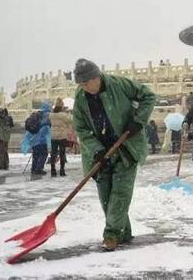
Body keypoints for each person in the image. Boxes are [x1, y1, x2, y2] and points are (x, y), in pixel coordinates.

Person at [72, 58, 156, 251]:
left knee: (120, 194)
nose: (84, 87)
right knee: (106, 197)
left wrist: (138, 121)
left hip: (126, 147)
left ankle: (111, 234)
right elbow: (82, 129)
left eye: (86, 83)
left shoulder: (119, 84)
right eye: (81, 84)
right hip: (101, 154)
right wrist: (96, 149)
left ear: (96, 77)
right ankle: (123, 233)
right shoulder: (81, 98)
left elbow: (149, 96)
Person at [49, 98, 73, 177]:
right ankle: (62, 171)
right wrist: (68, 113)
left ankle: (53, 170)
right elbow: (70, 120)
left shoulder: (51, 115)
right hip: (62, 136)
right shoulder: (63, 115)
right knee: (62, 153)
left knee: (53, 153)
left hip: (53, 136)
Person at [28, 103, 51, 175]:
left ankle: (33, 168)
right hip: (41, 140)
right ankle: (38, 169)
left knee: (36, 155)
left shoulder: (36, 115)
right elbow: (46, 130)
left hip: (34, 139)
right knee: (43, 154)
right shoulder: (46, 117)